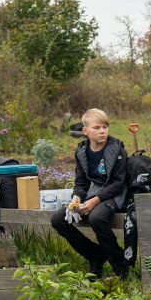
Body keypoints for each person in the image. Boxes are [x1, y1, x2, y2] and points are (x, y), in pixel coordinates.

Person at [50, 108, 130, 278]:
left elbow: (118, 183)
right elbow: (81, 182)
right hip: (95, 192)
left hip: (115, 194)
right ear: (85, 131)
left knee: (96, 218)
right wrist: (76, 198)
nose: (102, 131)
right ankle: (95, 254)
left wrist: (94, 202)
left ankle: (119, 263)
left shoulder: (117, 150)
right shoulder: (81, 151)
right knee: (58, 219)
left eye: (105, 127)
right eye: (97, 127)